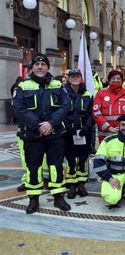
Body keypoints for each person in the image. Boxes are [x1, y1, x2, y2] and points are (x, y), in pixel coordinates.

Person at [13, 54, 71, 214]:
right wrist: (38, 126)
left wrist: (51, 123)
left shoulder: (58, 84)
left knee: (56, 166)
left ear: (47, 67)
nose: (40, 67)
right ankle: (33, 199)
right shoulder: (23, 86)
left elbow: (65, 106)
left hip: (55, 134)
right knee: (33, 168)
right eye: (37, 64)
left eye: (43, 64)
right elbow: (19, 108)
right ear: (32, 67)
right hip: (33, 136)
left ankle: (59, 197)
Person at [64, 69, 94, 199]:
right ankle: (71, 185)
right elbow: (60, 111)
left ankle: (81, 183)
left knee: (83, 159)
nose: (75, 78)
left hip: (83, 132)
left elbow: (92, 113)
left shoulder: (88, 94)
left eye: (77, 76)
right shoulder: (63, 93)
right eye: (73, 76)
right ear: (69, 78)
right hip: (68, 132)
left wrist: (87, 126)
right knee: (70, 159)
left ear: (81, 78)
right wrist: (67, 126)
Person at [92, 70, 125, 143]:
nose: (116, 80)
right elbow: (96, 112)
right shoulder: (101, 94)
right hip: (105, 134)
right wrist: (108, 127)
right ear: (109, 80)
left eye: (118, 78)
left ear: (122, 81)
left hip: (124, 132)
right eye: (113, 78)